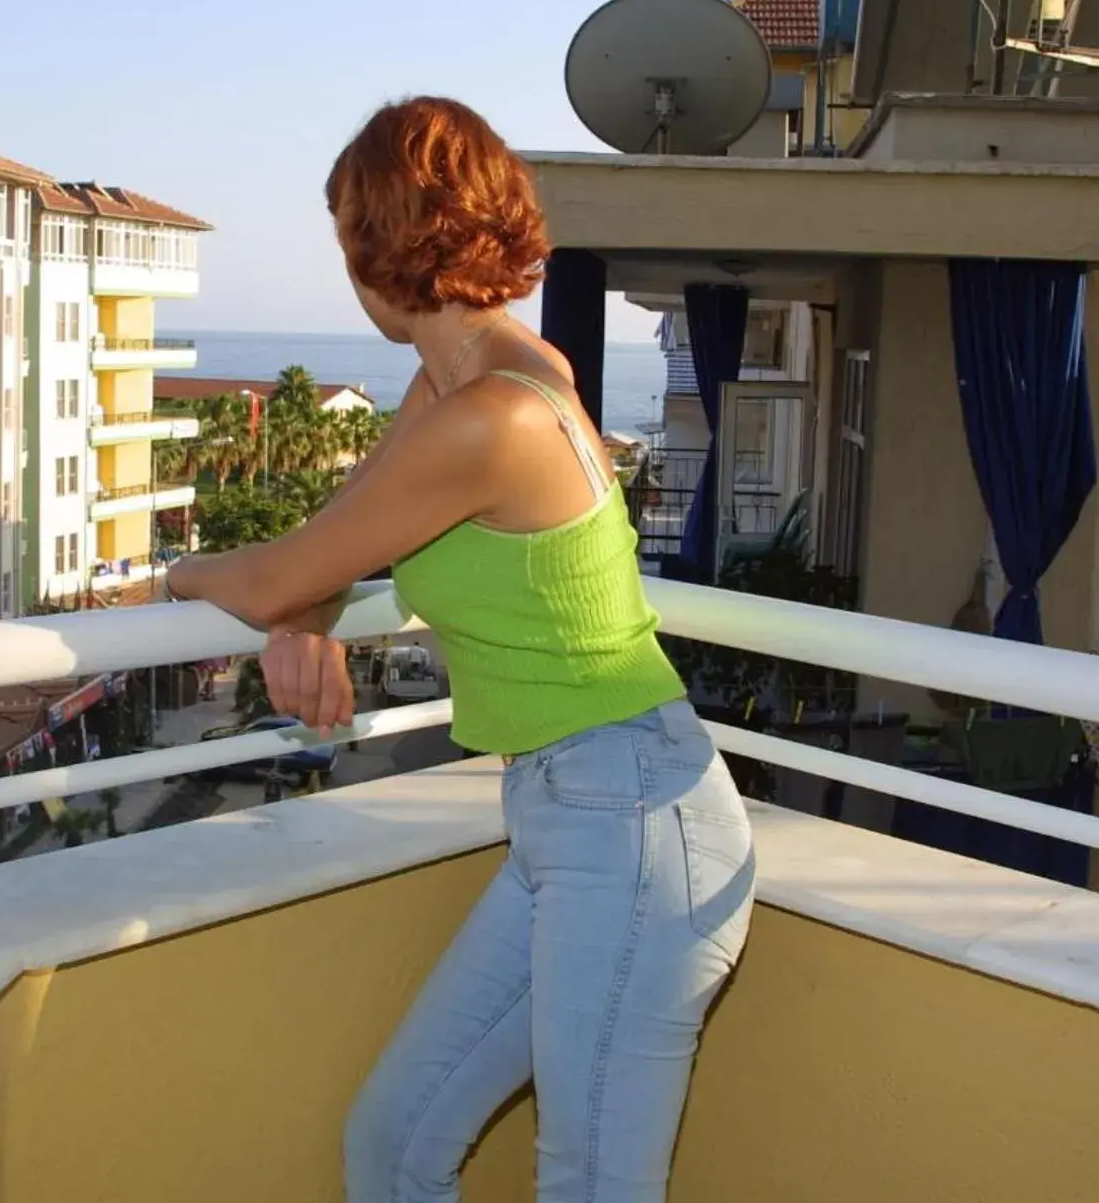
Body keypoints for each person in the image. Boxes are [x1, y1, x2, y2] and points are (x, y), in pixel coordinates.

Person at [165, 96, 753, 1202]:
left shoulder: (493, 416)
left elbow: (280, 569)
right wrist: (304, 617)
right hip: (572, 813)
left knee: (588, 1185)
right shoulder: (468, 382)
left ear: (379, 248)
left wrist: (183, 578)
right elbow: (337, 543)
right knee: (395, 1141)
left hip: (627, 815)